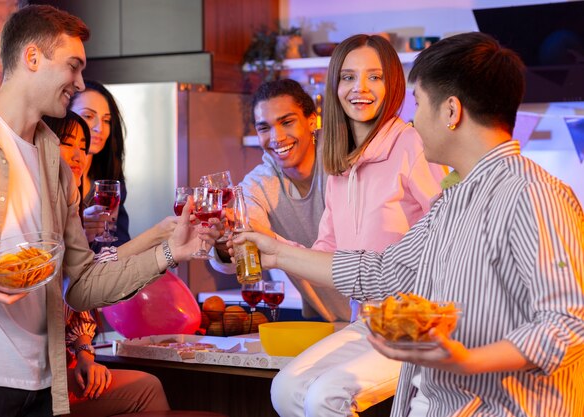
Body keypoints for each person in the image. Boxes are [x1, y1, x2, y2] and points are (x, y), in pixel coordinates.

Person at [234, 32, 584, 417]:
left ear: (451, 112)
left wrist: (467, 360)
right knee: (290, 389)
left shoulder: (534, 193)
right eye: (348, 77)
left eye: (417, 103)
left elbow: (569, 322)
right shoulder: (453, 202)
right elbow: (384, 272)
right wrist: (276, 252)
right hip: (440, 400)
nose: (411, 120)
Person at [0, 5, 202, 416]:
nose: (80, 81)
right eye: (73, 66)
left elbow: (82, 282)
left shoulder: (57, 164)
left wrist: (169, 254)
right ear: (32, 58)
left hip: (42, 385)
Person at [268, 34, 446, 417]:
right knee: (285, 389)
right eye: (348, 77)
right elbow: (327, 254)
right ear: (335, 86)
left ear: (393, 84)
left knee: (325, 397)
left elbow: (449, 234)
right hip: (366, 321)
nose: (359, 89)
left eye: (374, 77)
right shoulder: (340, 164)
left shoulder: (413, 144)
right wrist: (270, 247)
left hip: (417, 326)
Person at [45, 112, 173, 416]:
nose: (79, 155)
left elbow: (79, 297)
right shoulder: (40, 212)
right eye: (67, 143)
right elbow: (89, 279)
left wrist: (85, 353)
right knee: (148, 388)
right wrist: (163, 240)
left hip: (67, 364)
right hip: (42, 379)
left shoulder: (70, 208)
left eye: (84, 147)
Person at [210, 78, 352, 322]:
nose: (276, 137)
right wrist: (226, 236)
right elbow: (232, 254)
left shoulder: (343, 161)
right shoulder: (258, 183)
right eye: (264, 128)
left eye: (287, 122)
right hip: (331, 321)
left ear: (311, 121)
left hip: (385, 313)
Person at [69, 79, 130, 248]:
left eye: (106, 120)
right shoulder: (51, 183)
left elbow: (121, 244)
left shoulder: (111, 187)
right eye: (88, 116)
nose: (99, 128)